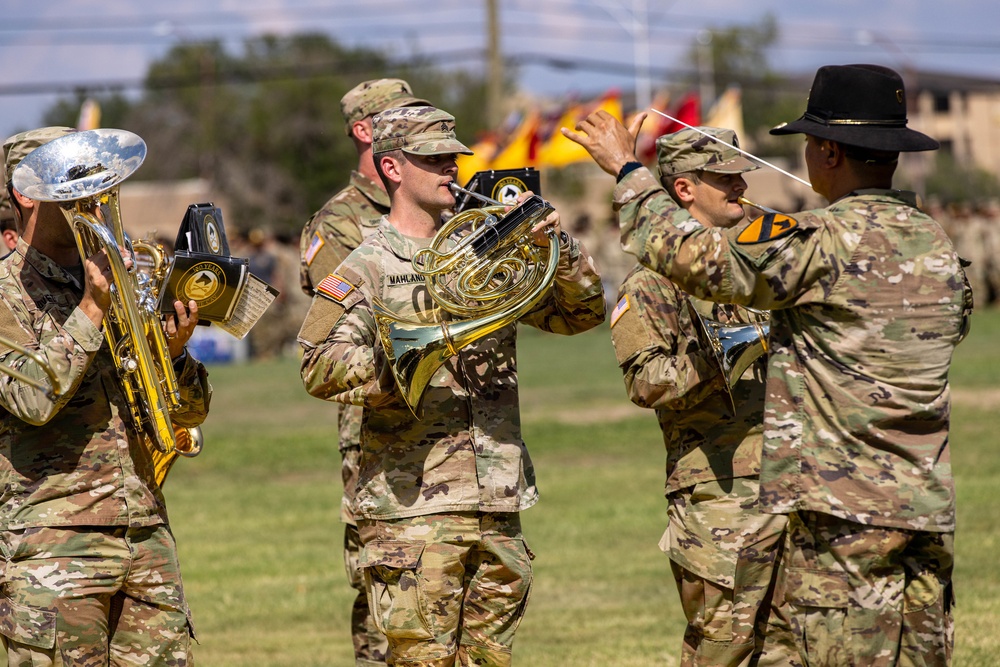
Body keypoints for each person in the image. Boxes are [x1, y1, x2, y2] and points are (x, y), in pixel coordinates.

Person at [566, 64, 972, 666]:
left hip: (841, 518)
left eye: (808, 144)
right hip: (921, 508)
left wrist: (628, 171)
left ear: (828, 152)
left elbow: (692, 256)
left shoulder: (822, 241)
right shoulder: (934, 243)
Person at [298, 105, 606, 665]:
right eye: (433, 159)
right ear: (391, 168)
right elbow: (317, 363)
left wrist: (561, 255)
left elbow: (578, 316)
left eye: (454, 158)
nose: (451, 169)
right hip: (412, 509)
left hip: (498, 497)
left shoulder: (483, 247)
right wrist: (410, 360)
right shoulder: (365, 265)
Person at [0, 127, 212, 665]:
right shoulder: (5, 293)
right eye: (70, 181)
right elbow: (32, 400)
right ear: (26, 194)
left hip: (144, 531)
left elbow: (187, 413)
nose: (91, 196)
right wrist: (92, 309)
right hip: (52, 543)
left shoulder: (122, 281)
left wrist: (175, 355)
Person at [609, 126, 785, 666]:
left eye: (739, 175)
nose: (739, 185)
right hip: (718, 493)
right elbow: (645, 382)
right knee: (723, 647)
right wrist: (724, 355)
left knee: (789, 647)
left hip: (790, 478)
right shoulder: (651, 284)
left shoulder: (761, 264)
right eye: (723, 177)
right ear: (684, 189)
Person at [298, 77, 427, 667]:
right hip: (379, 421)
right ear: (365, 132)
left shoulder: (440, 205)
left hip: (455, 417)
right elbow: (344, 322)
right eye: (403, 118)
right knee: (386, 575)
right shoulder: (337, 223)